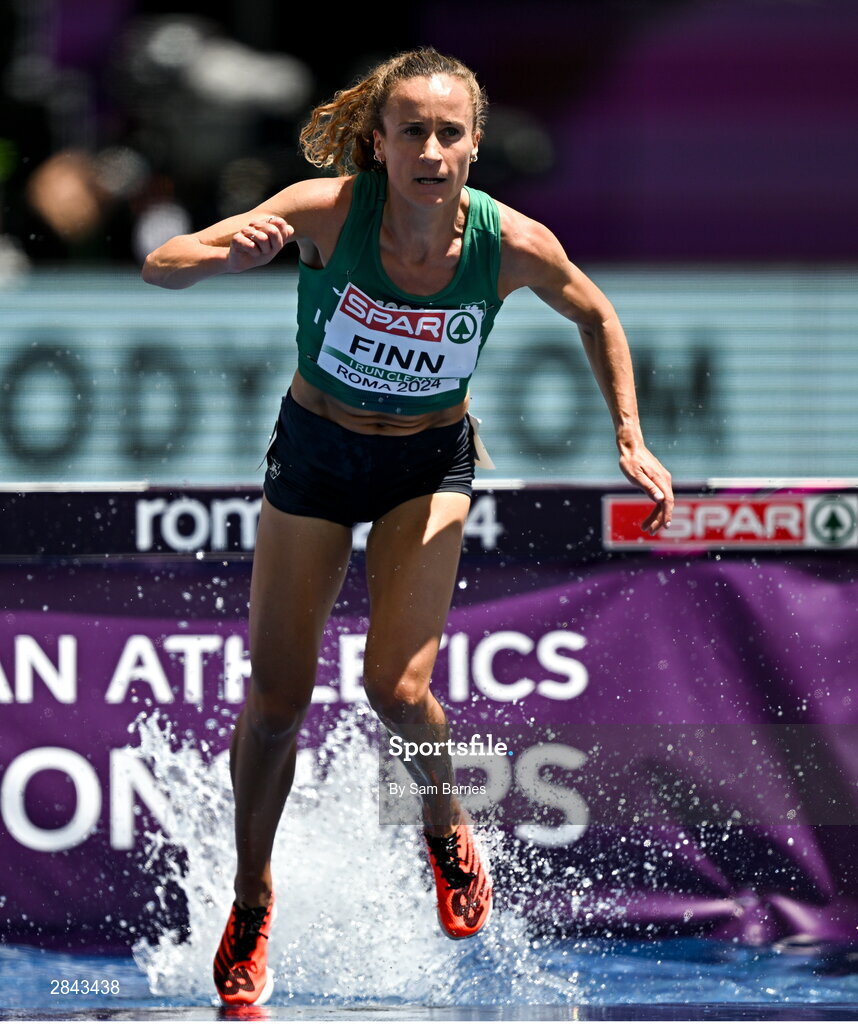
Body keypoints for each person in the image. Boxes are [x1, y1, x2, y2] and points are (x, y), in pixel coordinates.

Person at [142, 46, 674, 1007]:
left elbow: (596, 315)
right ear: (378, 145)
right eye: (412, 132)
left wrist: (630, 437)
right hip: (315, 456)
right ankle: (254, 894)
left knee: (398, 686)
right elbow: (160, 264)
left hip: (428, 466)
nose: (431, 149)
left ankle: (443, 820)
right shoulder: (325, 212)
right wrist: (231, 251)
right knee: (274, 704)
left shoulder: (510, 243)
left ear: (473, 147)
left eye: (450, 133)